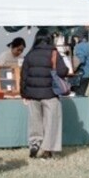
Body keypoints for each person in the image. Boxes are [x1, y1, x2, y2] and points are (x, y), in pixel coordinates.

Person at [20, 29, 68, 160]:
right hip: (50, 94)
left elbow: (23, 76)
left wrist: (24, 94)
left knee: (35, 122)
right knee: (51, 123)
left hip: (32, 94)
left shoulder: (30, 55)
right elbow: (63, 71)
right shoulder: (54, 53)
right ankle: (47, 150)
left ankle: (34, 143)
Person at [71, 29, 89, 96]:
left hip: (79, 74)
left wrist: (72, 68)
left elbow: (81, 60)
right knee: (82, 93)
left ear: (79, 37)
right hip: (87, 75)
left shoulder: (78, 46)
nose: (75, 39)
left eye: (75, 37)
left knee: (77, 94)